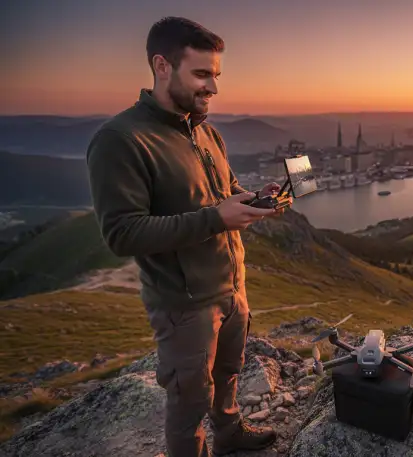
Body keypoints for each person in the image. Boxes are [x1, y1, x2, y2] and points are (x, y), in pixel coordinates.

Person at [85, 16, 289, 457]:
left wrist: (254, 198)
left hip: (232, 287)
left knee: (230, 371)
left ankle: (230, 434)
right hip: (183, 302)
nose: (212, 88)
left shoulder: (206, 131)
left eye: (215, 75)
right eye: (201, 74)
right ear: (162, 66)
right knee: (190, 397)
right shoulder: (121, 139)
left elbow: (222, 193)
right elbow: (121, 233)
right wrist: (217, 218)